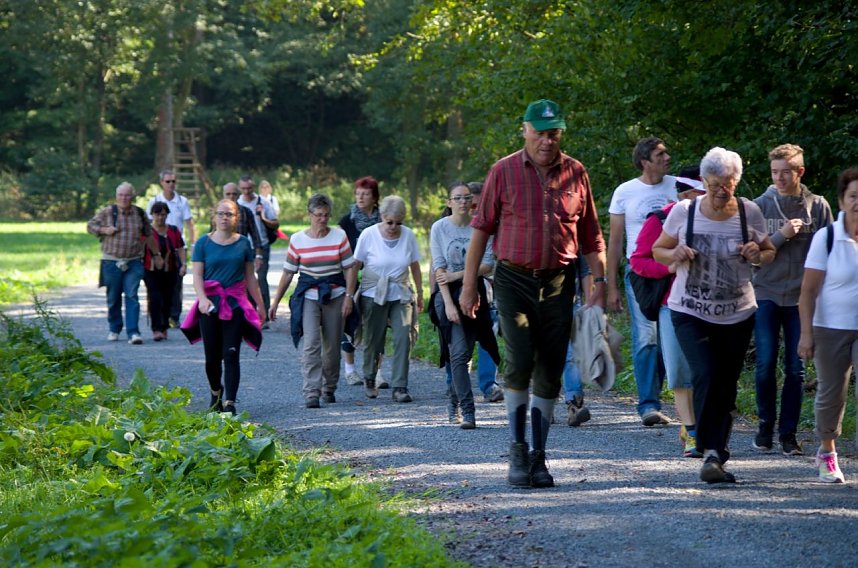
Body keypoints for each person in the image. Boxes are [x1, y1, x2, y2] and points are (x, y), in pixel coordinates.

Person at [460, 99, 607, 488]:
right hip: (513, 279)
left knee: (551, 366)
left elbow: (591, 234)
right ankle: (516, 448)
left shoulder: (577, 172)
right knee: (520, 358)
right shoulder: (503, 171)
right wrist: (470, 285)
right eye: (540, 132)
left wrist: (602, 283)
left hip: (560, 281)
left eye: (553, 132)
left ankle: (539, 457)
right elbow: (481, 230)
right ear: (524, 130)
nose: (547, 140)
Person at [652, 147, 775, 484]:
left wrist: (756, 253)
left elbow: (768, 252)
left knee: (726, 383)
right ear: (704, 181)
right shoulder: (684, 212)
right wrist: (674, 252)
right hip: (690, 310)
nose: (723, 191)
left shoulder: (749, 213)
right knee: (705, 371)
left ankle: (717, 454)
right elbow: (657, 250)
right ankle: (708, 450)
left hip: (737, 313)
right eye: (716, 184)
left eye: (729, 184)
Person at [751, 144, 833, 455]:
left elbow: (830, 253)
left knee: (796, 369)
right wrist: (781, 235)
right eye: (775, 172)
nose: (780, 178)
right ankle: (764, 426)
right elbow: (755, 258)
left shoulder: (818, 206)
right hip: (766, 293)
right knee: (765, 363)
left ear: (800, 172)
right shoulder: (760, 206)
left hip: (802, 297)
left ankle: (788, 434)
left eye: (786, 172)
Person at [630, 167, 707, 457]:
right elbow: (638, 261)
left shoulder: (724, 217)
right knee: (679, 372)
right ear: (687, 194)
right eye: (703, 192)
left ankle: (704, 423)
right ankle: (692, 430)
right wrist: (669, 267)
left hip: (713, 307)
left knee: (708, 371)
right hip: (671, 306)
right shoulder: (662, 219)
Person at [607, 137, 676, 426]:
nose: (667, 158)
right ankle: (648, 404)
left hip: (674, 270)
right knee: (646, 336)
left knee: (668, 337)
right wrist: (610, 284)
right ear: (645, 161)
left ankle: (671, 394)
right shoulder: (625, 191)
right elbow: (615, 240)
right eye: (660, 154)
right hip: (640, 273)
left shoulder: (677, 185)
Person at [797, 167, 858, 483]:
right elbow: (807, 292)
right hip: (830, 327)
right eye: (853, 196)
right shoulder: (828, 237)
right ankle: (827, 454)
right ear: (842, 200)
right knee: (832, 393)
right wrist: (806, 334)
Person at [269, 194, 357, 409]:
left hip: (335, 295)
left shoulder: (339, 236)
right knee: (311, 344)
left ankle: (329, 388)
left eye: (326, 215)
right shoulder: (297, 239)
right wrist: (274, 303)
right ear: (309, 215)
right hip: (309, 295)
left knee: (332, 345)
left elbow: (350, 268)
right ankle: (312, 391)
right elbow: (288, 273)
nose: (322, 220)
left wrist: (349, 297)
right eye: (318, 215)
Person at [181, 199, 265, 416]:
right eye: (221, 214)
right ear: (214, 216)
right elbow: (197, 275)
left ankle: (230, 402)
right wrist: (201, 299)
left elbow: (250, 277)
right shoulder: (203, 243)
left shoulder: (244, 243)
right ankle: (216, 392)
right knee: (211, 358)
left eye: (229, 214)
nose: (224, 217)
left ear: (236, 218)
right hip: (210, 307)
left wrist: (261, 307)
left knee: (231, 354)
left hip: (235, 305)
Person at [430, 182, 498, 429]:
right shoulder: (439, 228)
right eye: (456, 198)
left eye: (466, 198)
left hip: (474, 292)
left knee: (465, 353)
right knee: (458, 353)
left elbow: (488, 265)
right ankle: (467, 411)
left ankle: (453, 397)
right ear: (449, 202)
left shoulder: (482, 228)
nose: (461, 202)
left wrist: (458, 276)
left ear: (472, 202)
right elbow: (439, 268)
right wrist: (447, 304)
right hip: (446, 295)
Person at [353, 195, 424, 403]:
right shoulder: (368, 235)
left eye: (398, 222)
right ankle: (369, 377)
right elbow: (356, 265)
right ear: (382, 216)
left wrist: (419, 293)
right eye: (389, 222)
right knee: (374, 340)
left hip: (400, 293)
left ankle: (400, 386)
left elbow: (415, 266)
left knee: (404, 338)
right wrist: (350, 295)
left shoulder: (408, 236)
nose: (393, 227)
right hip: (373, 293)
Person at [87, 182, 161, 345]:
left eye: (127, 195)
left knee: (132, 295)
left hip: (134, 261)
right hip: (111, 261)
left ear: (132, 197)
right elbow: (90, 226)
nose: (124, 198)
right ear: (116, 196)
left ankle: (133, 332)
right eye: (121, 195)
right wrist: (104, 230)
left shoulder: (139, 214)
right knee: (113, 297)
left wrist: (157, 255)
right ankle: (114, 328)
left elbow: (149, 235)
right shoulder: (108, 212)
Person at [338, 176, 382, 386]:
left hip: (378, 278)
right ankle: (349, 370)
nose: (361, 197)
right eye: (358, 193)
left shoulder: (386, 220)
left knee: (378, 324)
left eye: (365, 194)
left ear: (375, 197)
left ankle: (378, 371)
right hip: (351, 277)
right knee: (351, 323)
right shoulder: (347, 222)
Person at [466, 181, 504, 404]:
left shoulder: (495, 225)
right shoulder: (448, 226)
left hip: (490, 287)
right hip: (457, 284)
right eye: (472, 206)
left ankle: (489, 385)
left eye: (480, 206)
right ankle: (455, 383)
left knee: (489, 333)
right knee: (459, 336)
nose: (476, 211)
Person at [147, 169, 196, 327]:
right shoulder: (154, 200)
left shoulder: (182, 201)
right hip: (156, 248)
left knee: (176, 286)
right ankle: (160, 316)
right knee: (157, 286)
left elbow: (189, 223)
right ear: (161, 183)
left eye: (173, 181)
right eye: (168, 181)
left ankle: (174, 316)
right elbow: (147, 227)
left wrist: (193, 244)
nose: (171, 184)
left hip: (176, 245)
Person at [237, 175, 280, 322]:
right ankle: (250, 313)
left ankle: (266, 314)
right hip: (243, 247)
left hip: (262, 245)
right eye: (243, 189)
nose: (247, 191)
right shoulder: (237, 203)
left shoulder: (263, 202)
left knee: (261, 279)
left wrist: (263, 217)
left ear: (253, 187)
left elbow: (275, 224)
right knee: (246, 280)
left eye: (249, 188)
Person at [144, 202, 186, 341]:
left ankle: (164, 326)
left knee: (168, 298)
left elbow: (180, 247)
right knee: (154, 297)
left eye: (163, 214)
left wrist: (183, 264)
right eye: (157, 214)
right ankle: (156, 328)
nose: (160, 217)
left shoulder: (173, 230)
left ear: (167, 215)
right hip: (151, 269)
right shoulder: (147, 231)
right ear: (152, 215)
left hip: (170, 268)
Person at [562, 256, 594, 427]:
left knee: (572, 353)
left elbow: (585, 268)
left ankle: (574, 404)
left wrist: (589, 303)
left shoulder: (574, 230)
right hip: (540, 302)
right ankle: (545, 403)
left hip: (571, 302)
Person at [222, 183, 263, 267]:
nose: (231, 196)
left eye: (234, 194)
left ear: (238, 195)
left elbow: (255, 235)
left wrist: (258, 256)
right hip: (221, 253)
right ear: (224, 195)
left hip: (240, 253)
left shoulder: (245, 212)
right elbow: (211, 234)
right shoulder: (218, 213)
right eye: (228, 194)